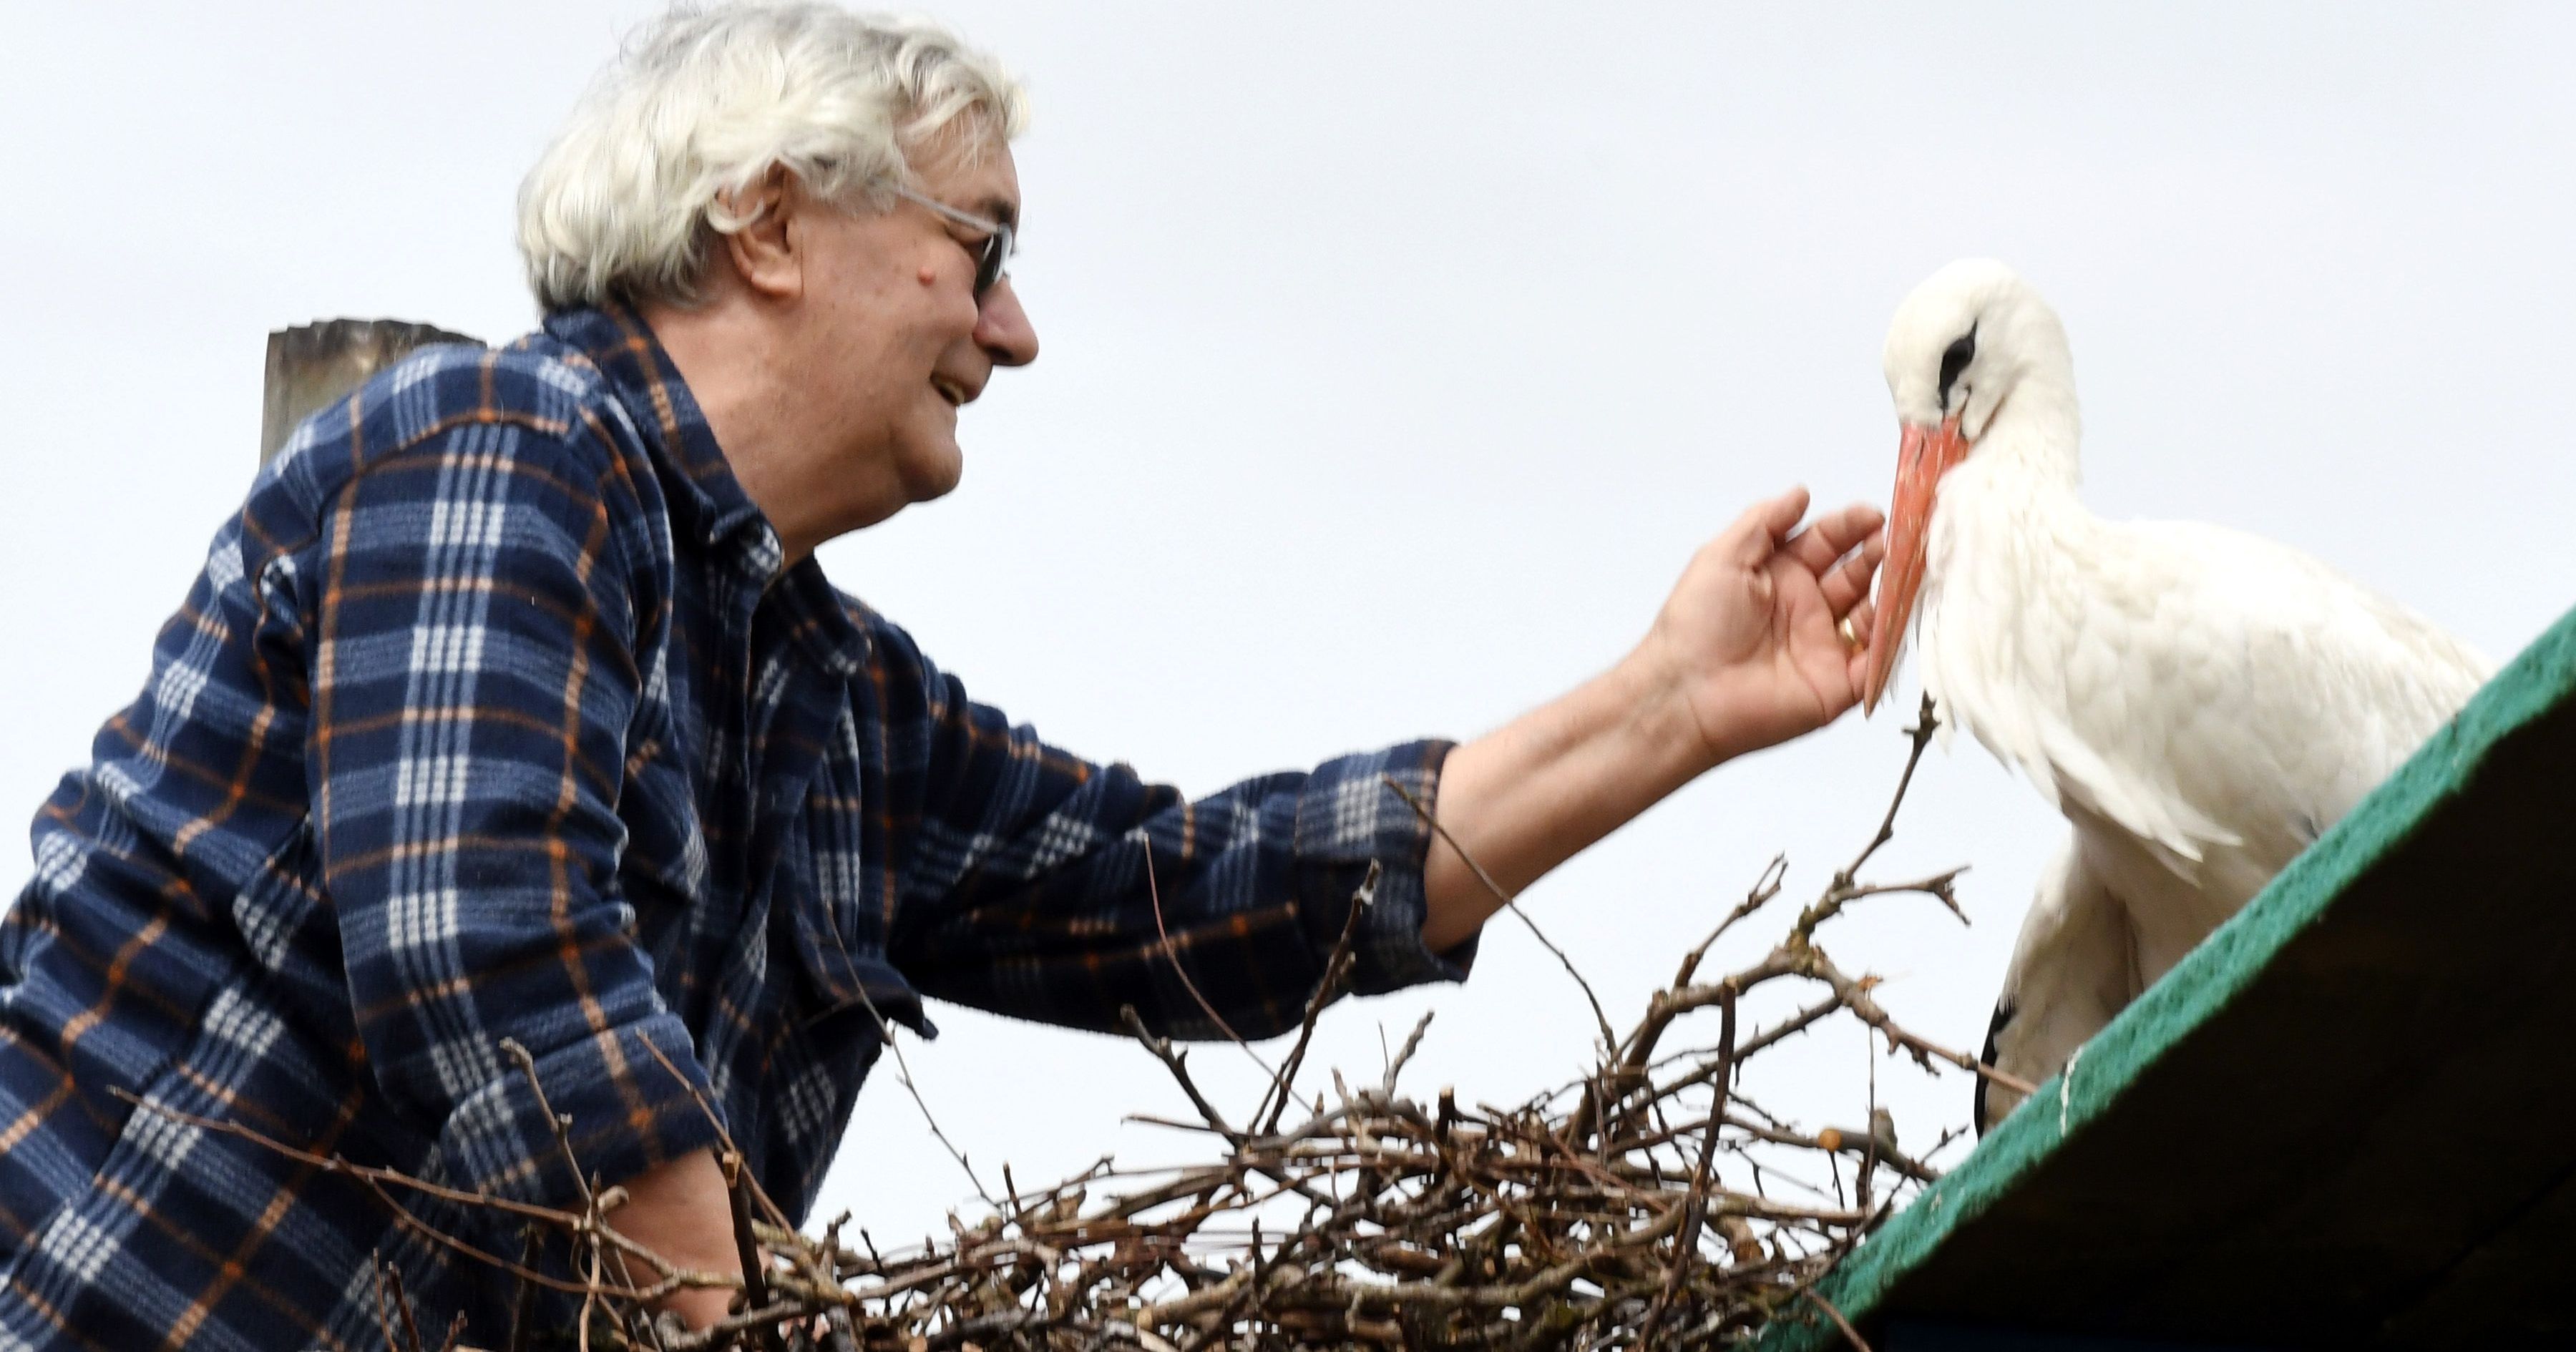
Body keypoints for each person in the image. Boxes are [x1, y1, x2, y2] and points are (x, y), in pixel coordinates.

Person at [0, 4, 1883, 1344]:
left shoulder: (829, 703)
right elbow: (492, 955)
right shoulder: (503, 449)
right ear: (768, 219)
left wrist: (1674, 703)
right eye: (977, 251)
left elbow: (1199, 899)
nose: (1017, 331)